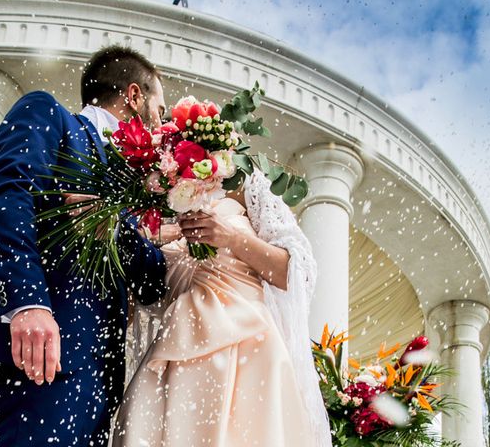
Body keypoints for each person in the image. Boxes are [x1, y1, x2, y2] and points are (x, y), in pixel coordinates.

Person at [0, 46, 168, 446]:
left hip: (99, 383)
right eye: (160, 109)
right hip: (42, 352)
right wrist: (27, 303)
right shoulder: (51, 115)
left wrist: (114, 227)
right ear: (134, 96)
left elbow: (155, 280)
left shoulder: (137, 188)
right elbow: (7, 194)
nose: (161, 123)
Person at [112, 172, 333, 446]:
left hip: (248, 351)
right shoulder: (154, 199)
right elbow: (141, 297)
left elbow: (297, 275)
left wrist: (232, 238)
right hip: (173, 352)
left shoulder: (248, 185)